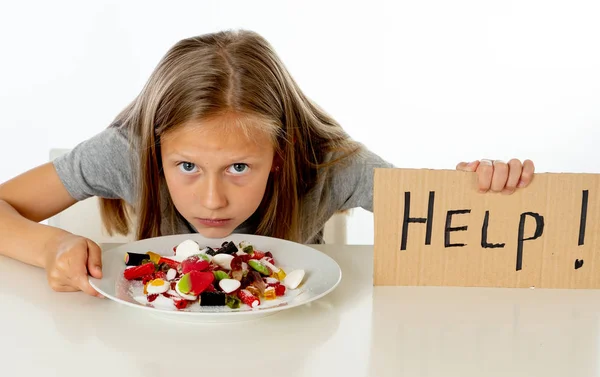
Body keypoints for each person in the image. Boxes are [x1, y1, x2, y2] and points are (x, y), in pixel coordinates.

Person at [0, 30, 535, 297]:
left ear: (280, 157)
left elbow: (444, 224)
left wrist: (486, 193)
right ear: (155, 151)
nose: (212, 200)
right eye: (187, 167)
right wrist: (52, 245)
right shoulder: (125, 150)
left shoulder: (330, 164)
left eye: (239, 168)